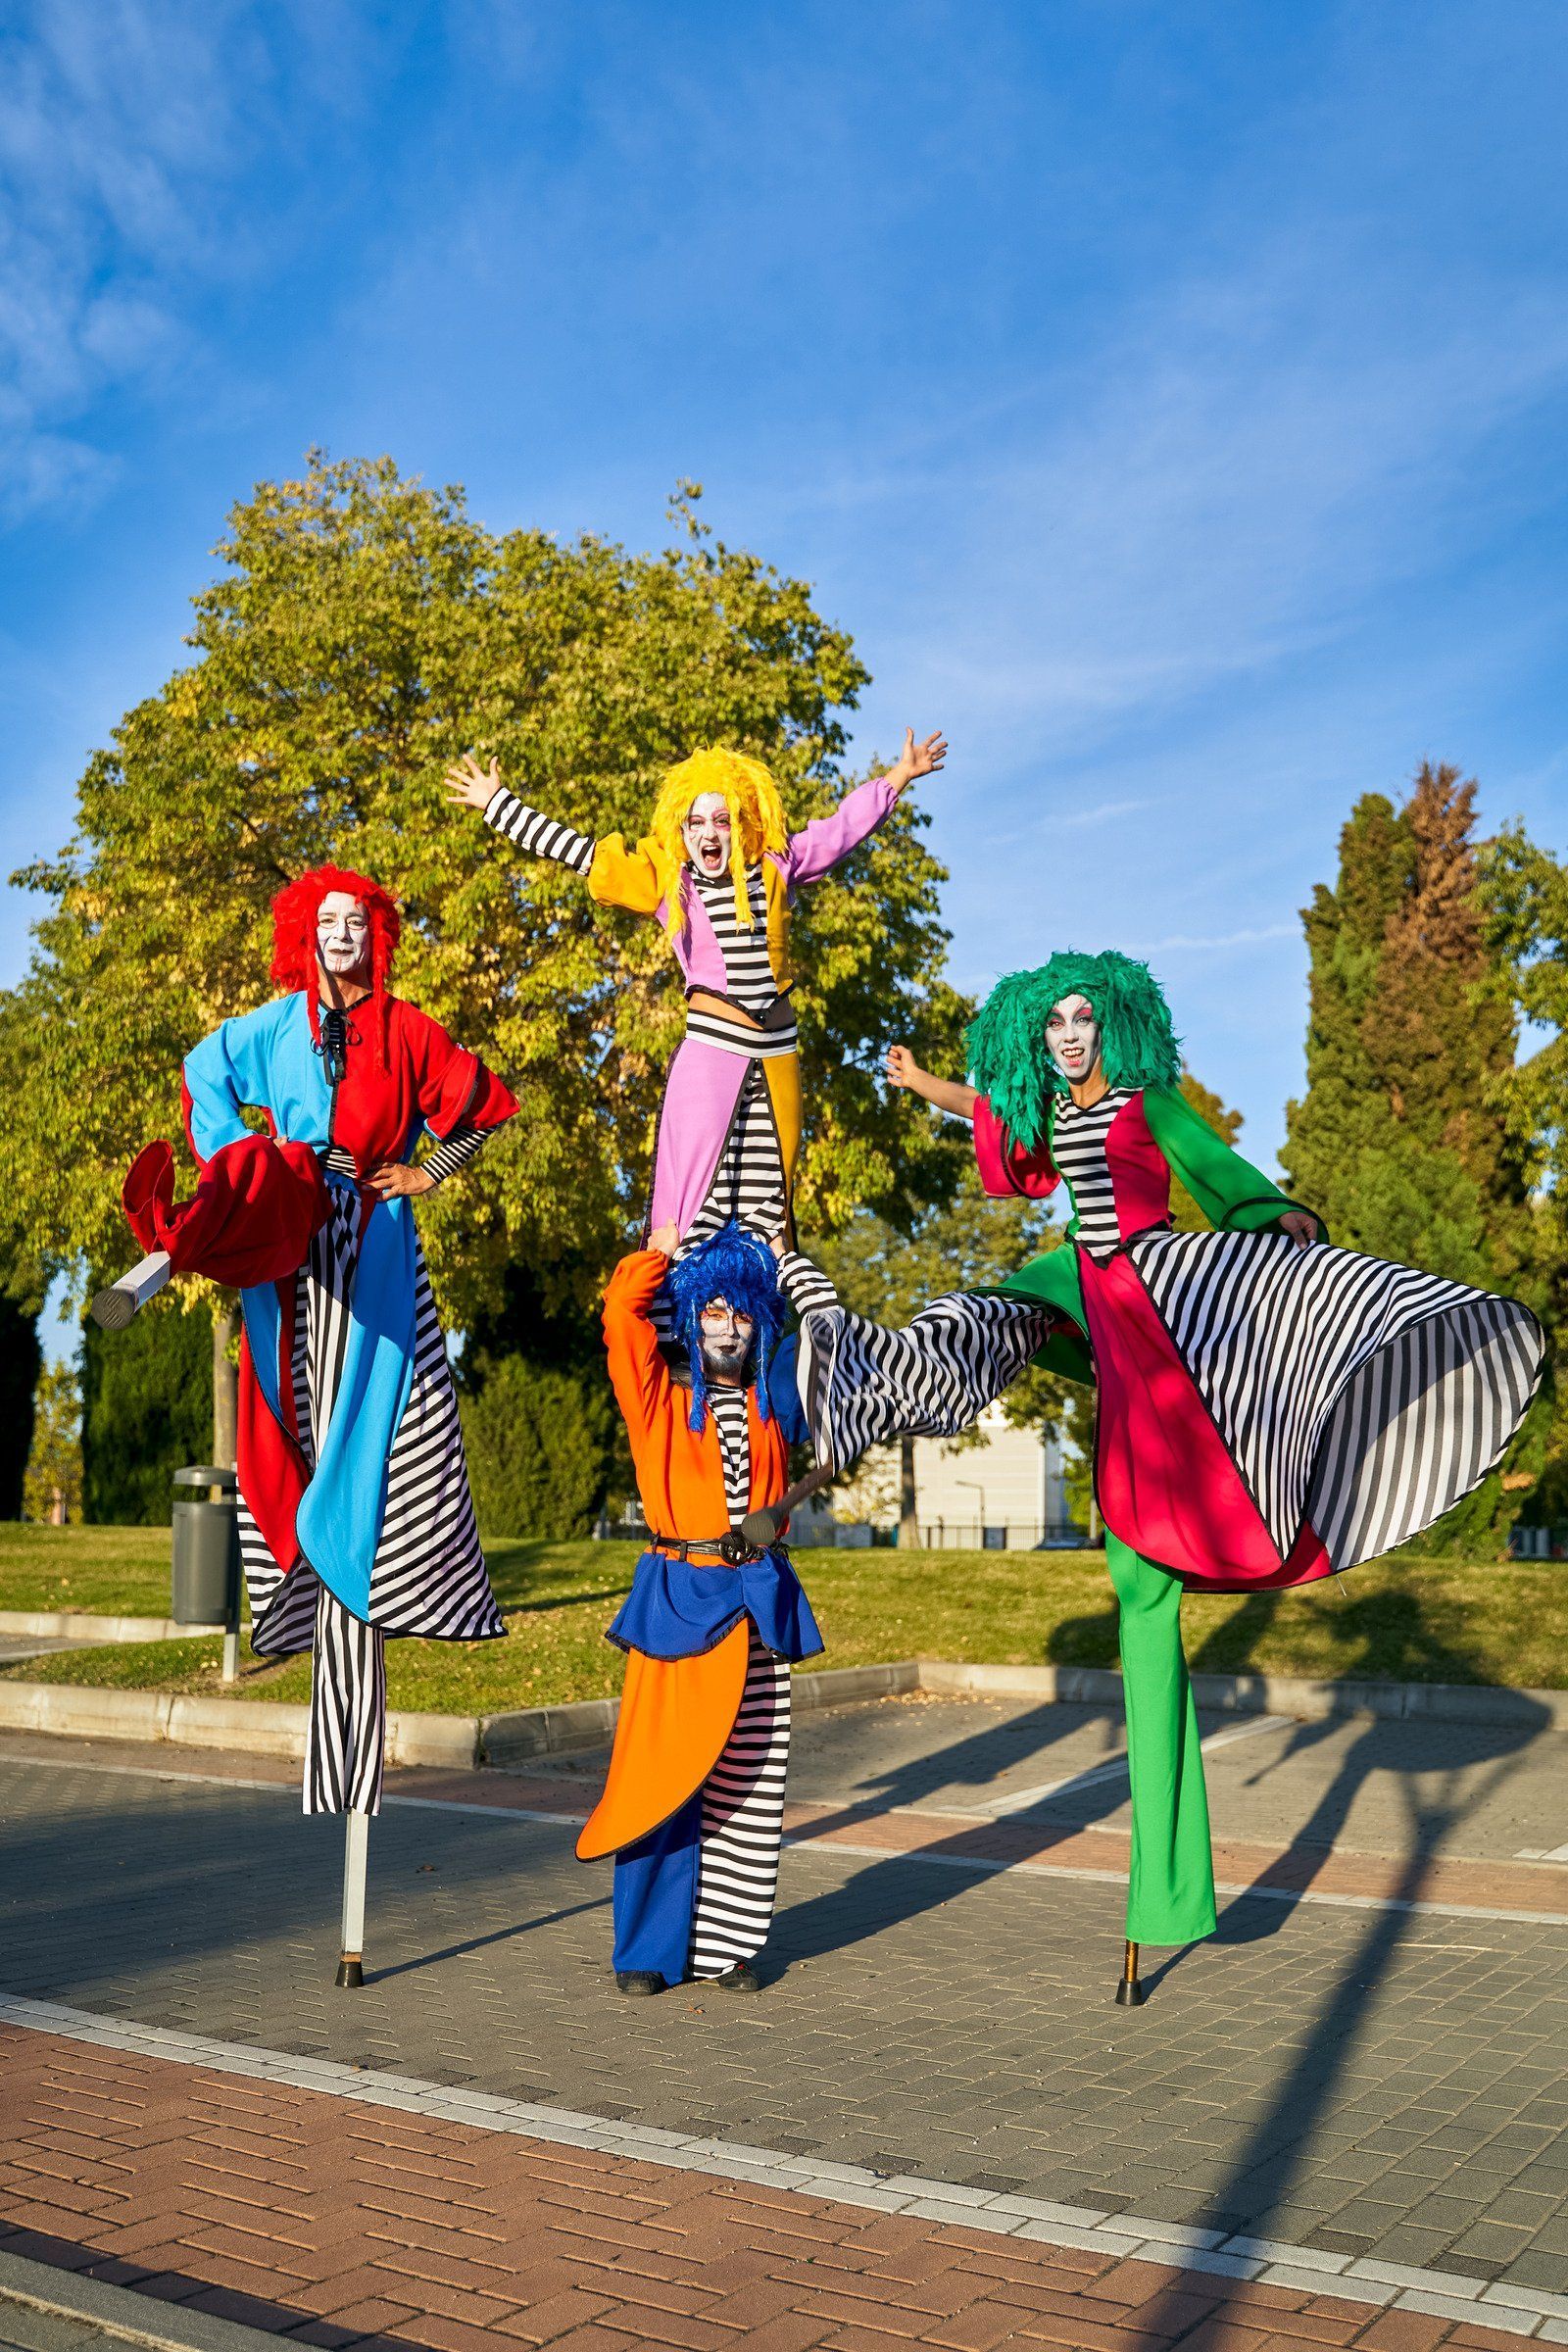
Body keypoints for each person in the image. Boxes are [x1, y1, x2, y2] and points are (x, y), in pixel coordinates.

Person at [795, 951, 1545, 1954]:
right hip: (1081, 1294)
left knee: (1139, 1582)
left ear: (1112, 1028)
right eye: (1053, 1025)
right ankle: (866, 1378)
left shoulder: (1151, 1105)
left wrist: (1279, 1218)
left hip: (1157, 1303)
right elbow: (997, 1119)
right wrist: (927, 1084)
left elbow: (1225, 1181)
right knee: (989, 1310)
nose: (1068, 1036)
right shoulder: (1050, 1114)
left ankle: (1164, 1897)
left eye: (1082, 1021)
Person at [121, 865, 518, 1815]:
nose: (341, 934)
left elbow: (481, 1108)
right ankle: (301, 1591)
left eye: (357, 921)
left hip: (375, 1239)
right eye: (326, 921)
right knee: (287, 1428)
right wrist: (236, 1167)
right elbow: (201, 1073)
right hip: (289, 1242)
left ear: (374, 935)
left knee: (388, 1436)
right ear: (304, 936)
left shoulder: (406, 1025)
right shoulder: (270, 1024)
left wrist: (426, 1173)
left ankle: (383, 1611)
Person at [444, 732, 945, 1251]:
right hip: (714, 1046)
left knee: (771, 1215)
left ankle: (761, 1322)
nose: (709, 833)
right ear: (680, 829)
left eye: (722, 820)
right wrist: (499, 805)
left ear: (743, 825)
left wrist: (899, 776)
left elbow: (842, 829)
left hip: (778, 1050)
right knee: (691, 1206)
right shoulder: (669, 881)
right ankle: (673, 1320)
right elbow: (584, 855)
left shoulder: (776, 864)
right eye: (697, 822)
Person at [576, 1218, 839, 1993]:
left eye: (741, 1310)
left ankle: (728, 1948)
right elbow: (623, 1315)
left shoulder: (775, 1405)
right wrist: (657, 1253)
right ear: (694, 1317)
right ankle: (650, 1952)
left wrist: (786, 1262)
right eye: (713, 1310)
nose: (726, 1326)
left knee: (748, 1784)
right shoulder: (660, 1399)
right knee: (664, 1780)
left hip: (757, 1605)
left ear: (759, 1319)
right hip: (679, 1607)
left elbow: (826, 1331)